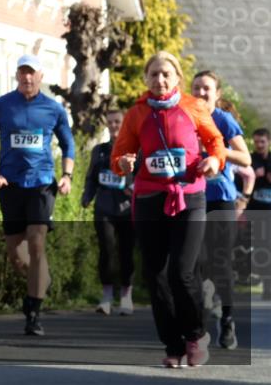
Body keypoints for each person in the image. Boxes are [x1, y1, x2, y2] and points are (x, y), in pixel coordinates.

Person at [111, 51, 225, 368]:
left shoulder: (194, 107)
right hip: (149, 199)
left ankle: (196, 334)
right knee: (156, 276)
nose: (160, 80)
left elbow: (215, 141)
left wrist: (214, 160)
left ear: (176, 77)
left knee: (182, 272)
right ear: (146, 79)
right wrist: (122, 163)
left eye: (166, 74)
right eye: (154, 74)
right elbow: (119, 154)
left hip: (190, 196)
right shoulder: (136, 113)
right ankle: (172, 344)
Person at [0, 54, 76, 336]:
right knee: (16, 254)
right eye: (22, 72)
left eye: (31, 73)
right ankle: (41, 279)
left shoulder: (53, 109)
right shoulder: (2, 105)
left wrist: (67, 176)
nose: (27, 78)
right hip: (10, 184)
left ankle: (33, 313)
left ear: (40, 76)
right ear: (17, 75)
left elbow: (68, 145)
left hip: (42, 184)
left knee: (36, 244)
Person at [191, 70, 252, 350]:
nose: (201, 94)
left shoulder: (223, 120)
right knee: (194, 260)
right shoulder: (185, 118)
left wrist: (217, 150)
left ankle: (227, 318)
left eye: (207, 89)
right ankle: (198, 319)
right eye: (197, 89)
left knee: (220, 262)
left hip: (220, 199)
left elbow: (246, 158)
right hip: (191, 196)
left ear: (217, 94)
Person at [81, 108, 135, 316]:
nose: (114, 125)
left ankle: (126, 295)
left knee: (126, 252)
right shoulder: (100, 150)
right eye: (110, 122)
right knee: (107, 249)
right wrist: (87, 196)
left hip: (127, 209)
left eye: (118, 122)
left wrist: (135, 188)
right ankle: (106, 296)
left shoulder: (134, 149)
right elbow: (91, 177)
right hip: (104, 207)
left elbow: (142, 176)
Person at [249, 128, 271, 300]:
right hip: (257, 212)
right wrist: (254, 176)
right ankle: (266, 286)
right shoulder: (250, 159)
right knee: (263, 250)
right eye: (256, 142)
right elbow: (243, 180)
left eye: (262, 141)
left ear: (268, 142)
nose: (259, 145)